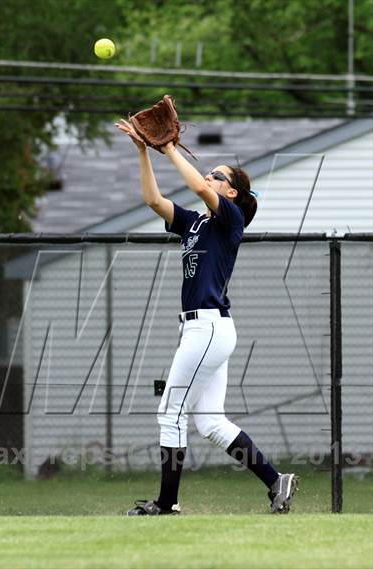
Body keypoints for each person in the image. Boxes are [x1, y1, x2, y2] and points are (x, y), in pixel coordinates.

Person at [114, 119, 299, 515]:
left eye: (217, 175)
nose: (208, 178)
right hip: (202, 329)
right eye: (211, 173)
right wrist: (144, 152)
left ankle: (167, 504)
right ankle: (275, 481)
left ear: (231, 192)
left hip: (208, 328)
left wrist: (169, 150)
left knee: (171, 412)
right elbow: (153, 200)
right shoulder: (195, 224)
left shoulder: (229, 220)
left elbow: (197, 186)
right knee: (210, 423)